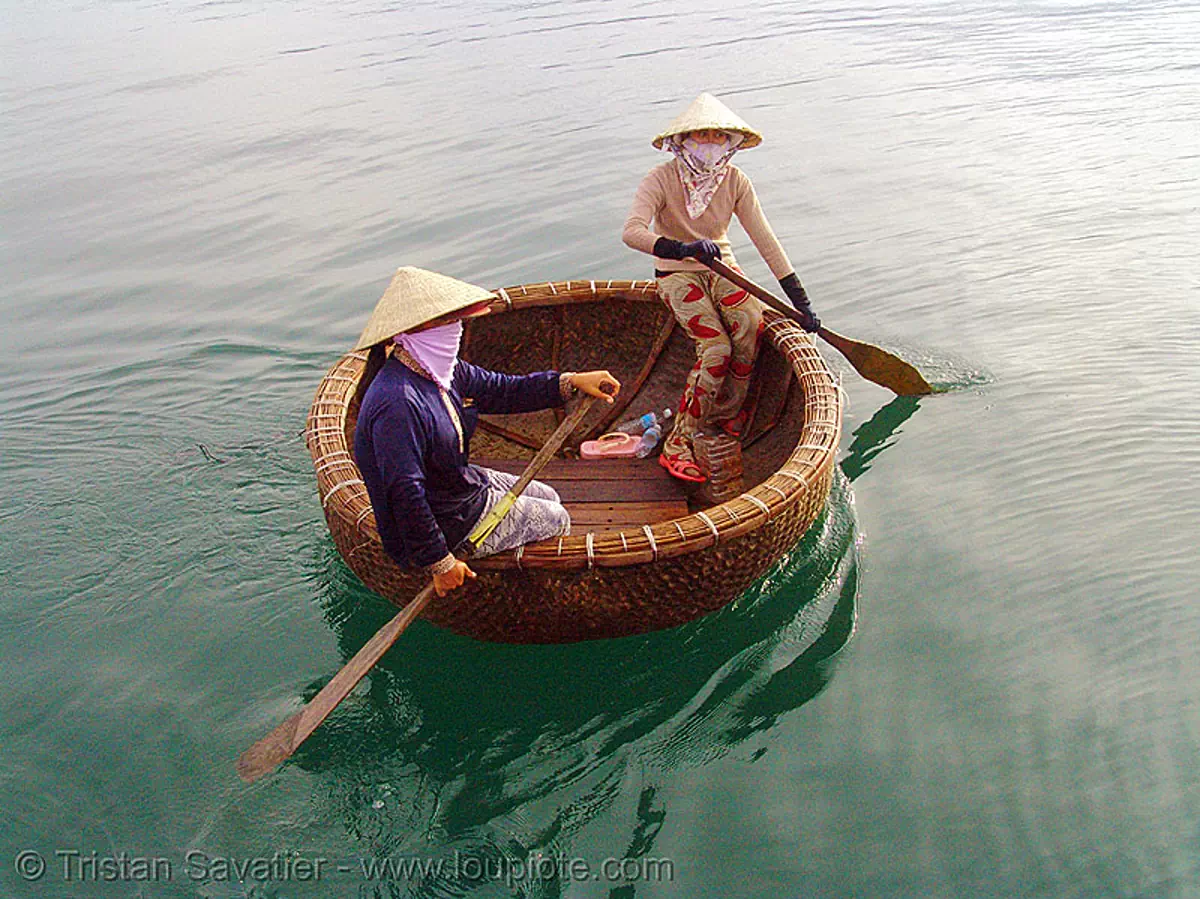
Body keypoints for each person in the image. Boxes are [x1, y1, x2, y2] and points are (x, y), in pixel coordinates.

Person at [352, 267, 620, 596]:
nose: (459, 329)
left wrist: (571, 381)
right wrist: (440, 562)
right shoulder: (397, 403)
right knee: (557, 518)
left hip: (456, 488)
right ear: (422, 328)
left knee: (549, 496)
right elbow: (403, 492)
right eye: (451, 321)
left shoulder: (442, 370)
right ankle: (525, 595)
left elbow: (504, 390)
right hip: (443, 522)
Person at [622, 92, 820, 483]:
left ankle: (728, 414)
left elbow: (765, 240)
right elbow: (632, 232)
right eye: (701, 135)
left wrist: (801, 301)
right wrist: (682, 248)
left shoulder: (735, 181)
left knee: (750, 327)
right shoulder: (660, 178)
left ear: (729, 142)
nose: (709, 144)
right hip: (676, 272)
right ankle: (679, 442)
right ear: (682, 140)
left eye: (717, 136)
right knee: (717, 347)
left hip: (723, 269)